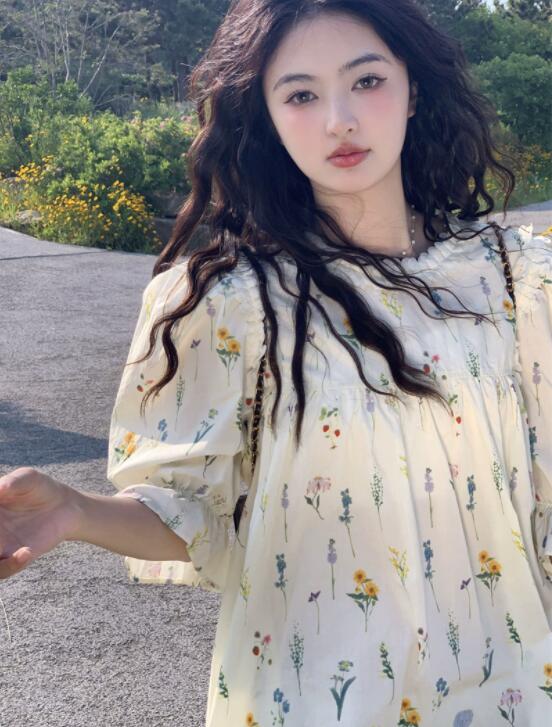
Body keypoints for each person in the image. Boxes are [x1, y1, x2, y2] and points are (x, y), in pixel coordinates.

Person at [1, 1, 551, 725]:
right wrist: (76, 511)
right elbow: (189, 509)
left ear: (413, 89)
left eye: (366, 81)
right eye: (300, 95)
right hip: (315, 696)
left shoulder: (513, 279)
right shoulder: (227, 302)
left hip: (511, 685)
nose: (339, 121)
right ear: (264, 116)